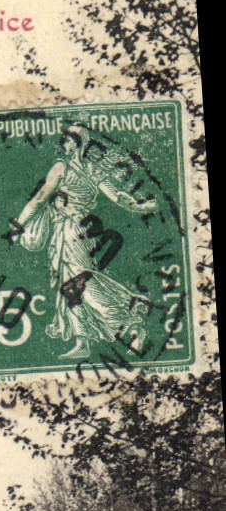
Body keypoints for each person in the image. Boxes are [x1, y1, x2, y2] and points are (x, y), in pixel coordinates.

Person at [9, 125, 158, 361]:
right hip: (66, 233)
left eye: (68, 141)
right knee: (69, 288)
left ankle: (131, 323)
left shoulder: (62, 168)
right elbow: (118, 196)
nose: (63, 145)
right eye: (63, 141)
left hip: (73, 233)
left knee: (81, 284)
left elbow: (39, 199)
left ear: (79, 143)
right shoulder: (91, 170)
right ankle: (83, 341)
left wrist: (18, 224)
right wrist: (139, 207)